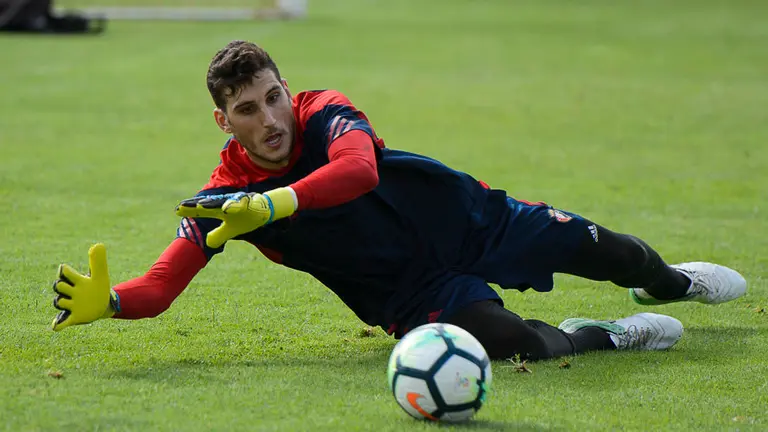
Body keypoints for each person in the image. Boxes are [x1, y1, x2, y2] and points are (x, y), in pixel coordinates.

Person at [50, 40, 747, 361]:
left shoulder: (325, 111)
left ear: (287, 89)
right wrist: (111, 302)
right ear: (223, 121)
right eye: (247, 109)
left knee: (616, 253)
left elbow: (358, 173)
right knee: (513, 344)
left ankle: (673, 284)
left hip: (472, 222)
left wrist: (275, 205)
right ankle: (610, 335)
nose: (270, 119)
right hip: (411, 294)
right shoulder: (222, 200)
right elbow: (162, 285)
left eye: (273, 97)